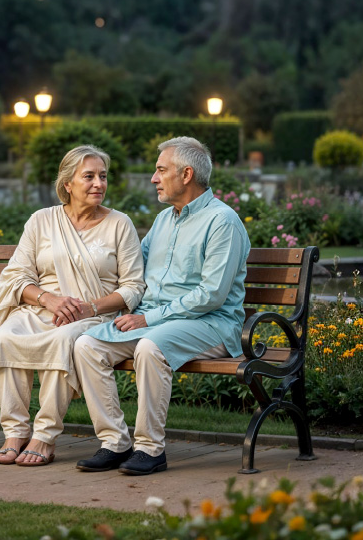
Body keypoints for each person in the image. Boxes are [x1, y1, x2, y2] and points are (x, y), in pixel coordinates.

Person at [73, 136, 250, 476]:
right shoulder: (164, 220)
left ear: (186, 174)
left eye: (160, 170)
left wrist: (147, 318)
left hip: (211, 324)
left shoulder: (222, 222)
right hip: (156, 321)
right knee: (87, 345)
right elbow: (134, 268)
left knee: (150, 347)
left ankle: (150, 449)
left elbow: (211, 294)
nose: (154, 178)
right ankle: (115, 442)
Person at [0, 145, 145, 468]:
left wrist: (89, 308)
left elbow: (133, 287)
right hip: (42, 309)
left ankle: (44, 435)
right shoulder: (41, 220)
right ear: (67, 183)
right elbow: (16, 275)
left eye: (103, 176)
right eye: (89, 176)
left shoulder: (119, 224)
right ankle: (15, 433)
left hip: (92, 315)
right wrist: (48, 299)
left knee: (63, 339)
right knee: (6, 337)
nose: (99, 183)